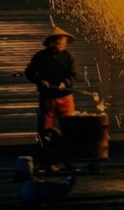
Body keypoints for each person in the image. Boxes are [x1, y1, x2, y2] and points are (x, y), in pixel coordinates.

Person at [25, 26, 79, 171]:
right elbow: (29, 73)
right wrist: (40, 80)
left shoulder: (68, 57)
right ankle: (48, 162)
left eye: (63, 41)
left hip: (65, 97)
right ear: (52, 42)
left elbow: (73, 76)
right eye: (60, 40)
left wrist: (65, 83)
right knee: (46, 132)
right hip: (48, 98)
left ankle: (68, 162)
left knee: (68, 130)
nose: (62, 43)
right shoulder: (40, 57)